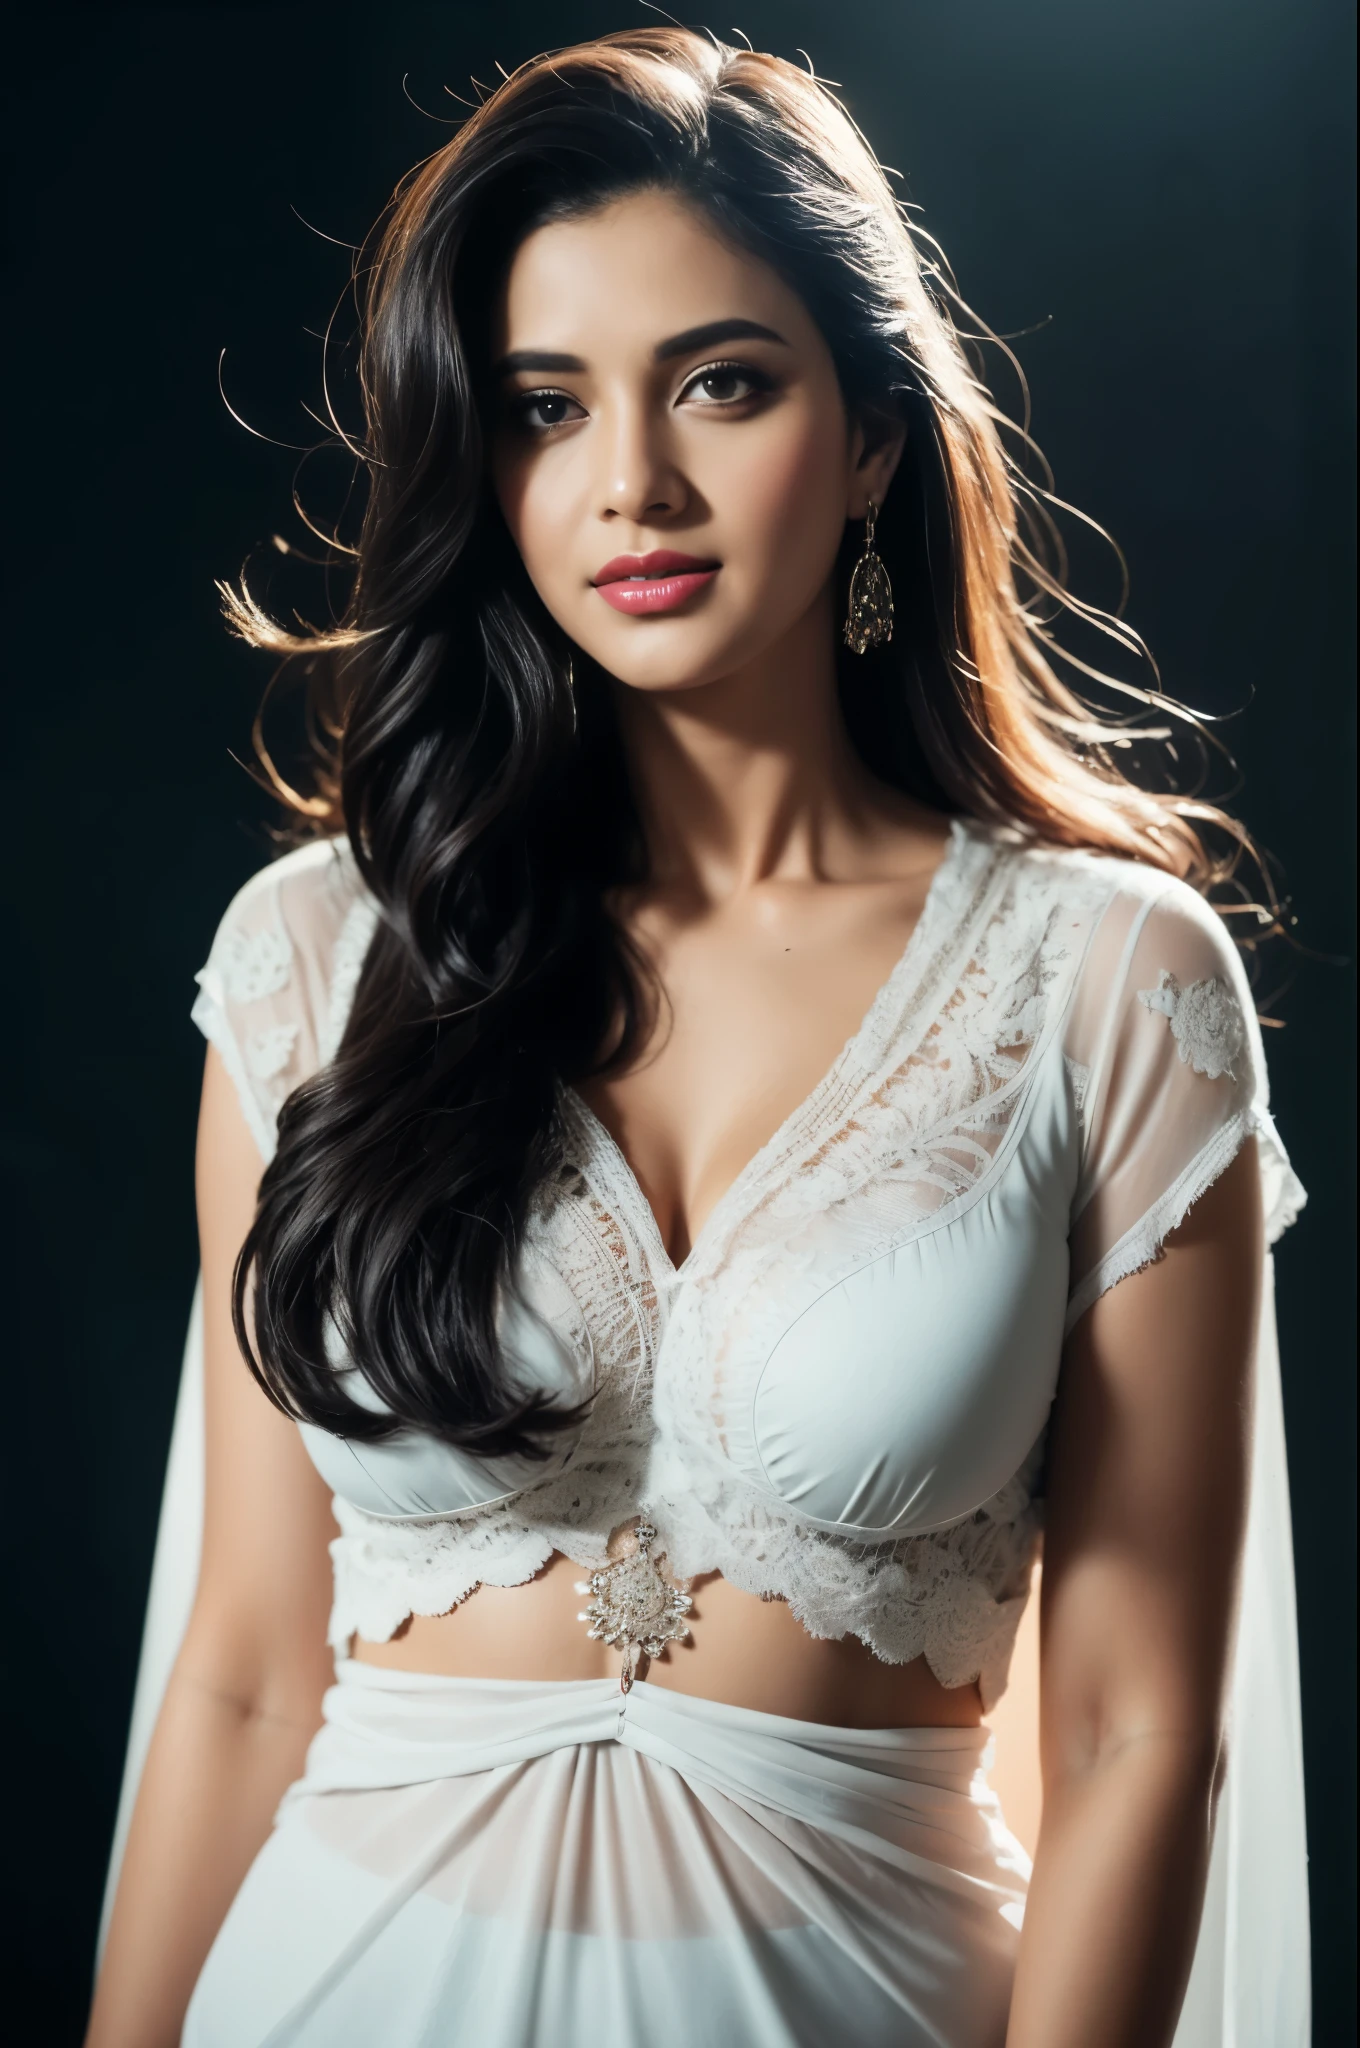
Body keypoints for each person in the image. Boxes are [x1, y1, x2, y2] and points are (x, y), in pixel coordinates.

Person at [86, 27, 1309, 2048]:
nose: (628, 485)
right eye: (543, 408)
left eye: (718, 384)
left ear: (870, 436)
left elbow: (1129, 1729)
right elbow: (234, 1671)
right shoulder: (316, 958)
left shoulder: (1111, 981)